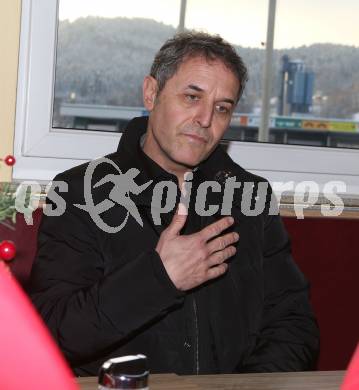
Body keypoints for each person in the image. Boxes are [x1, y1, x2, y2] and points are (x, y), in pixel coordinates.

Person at [29, 31, 319, 376]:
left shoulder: (250, 197)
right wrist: (159, 277)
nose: (205, 119)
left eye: (222, 107)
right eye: (191, 96)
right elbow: (53, 333)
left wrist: (243, 388)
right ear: (152, 93)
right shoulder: (80, 193)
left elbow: (293, 324)